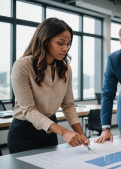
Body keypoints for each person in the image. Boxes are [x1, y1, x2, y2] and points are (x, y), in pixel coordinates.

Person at [8, 18, 89, 154]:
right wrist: (63, 132)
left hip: (50, 131)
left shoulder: (65, 69)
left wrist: (80, 133)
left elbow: (68, 105)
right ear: (45, 41)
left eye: (68, 44)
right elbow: (28, 110)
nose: (66, 48)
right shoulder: (22, 65)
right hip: (24, 132)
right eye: (60, 43)